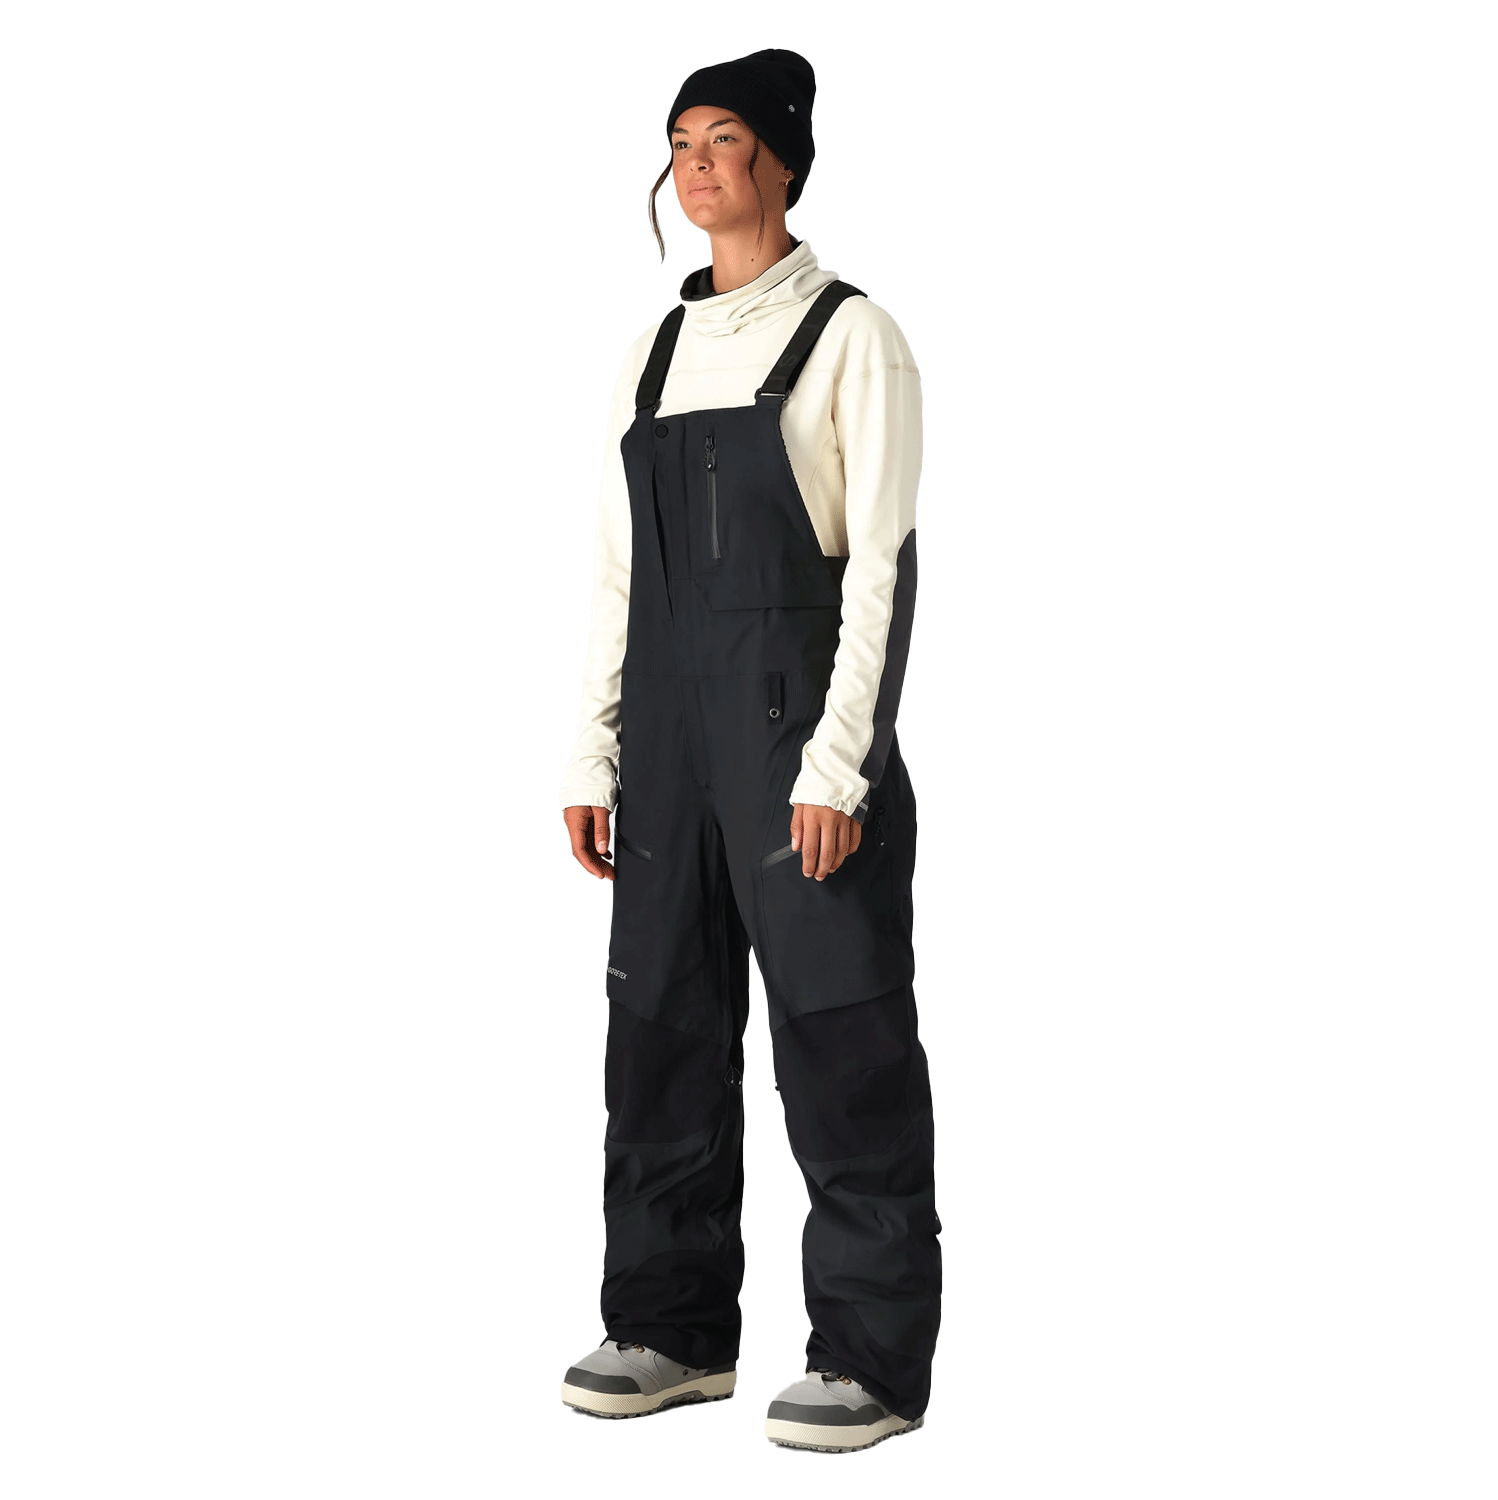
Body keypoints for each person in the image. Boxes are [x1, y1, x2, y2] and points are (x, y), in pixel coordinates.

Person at [557, 48, 940, 1454]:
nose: (696, 163)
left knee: (842, 1044)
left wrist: (839, 768)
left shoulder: (852, 338)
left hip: (796, 745)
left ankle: (870, 1361)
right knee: (658, 1033)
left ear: (784, 161)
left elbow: (881, 569)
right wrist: (595, 754)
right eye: (679, 142)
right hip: (666, 750)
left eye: (724, 138)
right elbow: (620, 578)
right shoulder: (652, 356)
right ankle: (668, 1331)